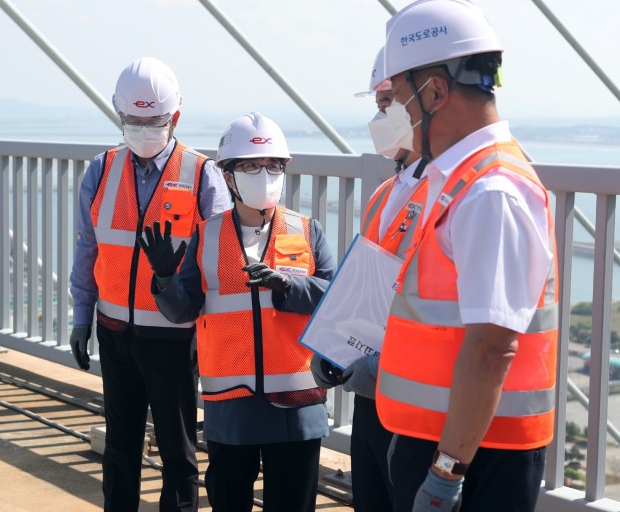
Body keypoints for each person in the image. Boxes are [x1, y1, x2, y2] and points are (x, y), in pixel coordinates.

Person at [373, 0, 559, 512]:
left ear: (434, 91)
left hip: (475, 455)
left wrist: (446, 473)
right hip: (443, 436)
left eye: (397, 96)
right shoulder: (458, 177)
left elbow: (490, 348)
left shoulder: (491, 191)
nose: (392, 112)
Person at [139, 112, 335, 512]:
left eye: (273, 165)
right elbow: (182, 311)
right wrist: (162, 278)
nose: (264, 174)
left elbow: (336, 300)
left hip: (296, 407)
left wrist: (288, 286)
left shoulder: (307, 230)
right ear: (228, 176)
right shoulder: (206, 235)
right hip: (231, 408)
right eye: (249, 166)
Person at [68, 57, 232, 512]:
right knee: (119, 450)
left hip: (174, 338)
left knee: (178, 453)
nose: (142, 130)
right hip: (115, 332)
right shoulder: (101, 170)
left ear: (174, 118)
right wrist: (81, 318)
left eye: (153, 121)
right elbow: (88, 248)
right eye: (132, 121)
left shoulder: (202, 175)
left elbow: (218, 267)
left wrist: (208, 337)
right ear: (119, 117)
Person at [310, 46, 427, 512]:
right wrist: (331, 348)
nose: (380, 112)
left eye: (388, 99)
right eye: (377, 102)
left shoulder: (447, 191)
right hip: (371, 398)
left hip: (414, 399)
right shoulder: (386, 193)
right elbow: (364, 289)